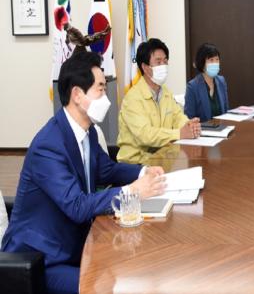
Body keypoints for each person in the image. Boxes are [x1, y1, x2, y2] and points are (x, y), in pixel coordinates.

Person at [1, 51, 166, 294]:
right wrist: (132, 192)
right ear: (77, 94)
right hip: (41, 260)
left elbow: (106, 170)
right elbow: (76, 206)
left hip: (74, 245)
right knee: (109, 287)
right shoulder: (49, 144)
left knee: (135, 268)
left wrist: (143, 172)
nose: (106, 98)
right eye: (100, 89)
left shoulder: (87, 132)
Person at [117, 38, 200, 164]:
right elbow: (145, 135)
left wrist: (189, 126)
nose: (164, 66)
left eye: (165, 61)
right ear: (145, 67)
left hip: (160, 159)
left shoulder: (165, 92)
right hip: (136, 164)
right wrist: (179, 133)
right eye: (158, 62)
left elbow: (178, 117)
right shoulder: (132, 98)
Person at [185, 43, 229, 121]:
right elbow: (189, 118)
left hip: (222, 127)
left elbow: (226, 111)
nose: (215, 63)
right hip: (202, 128)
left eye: (217, 59)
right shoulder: (192, 86)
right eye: (211, 60)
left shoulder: (221, 81)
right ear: (202, 63)